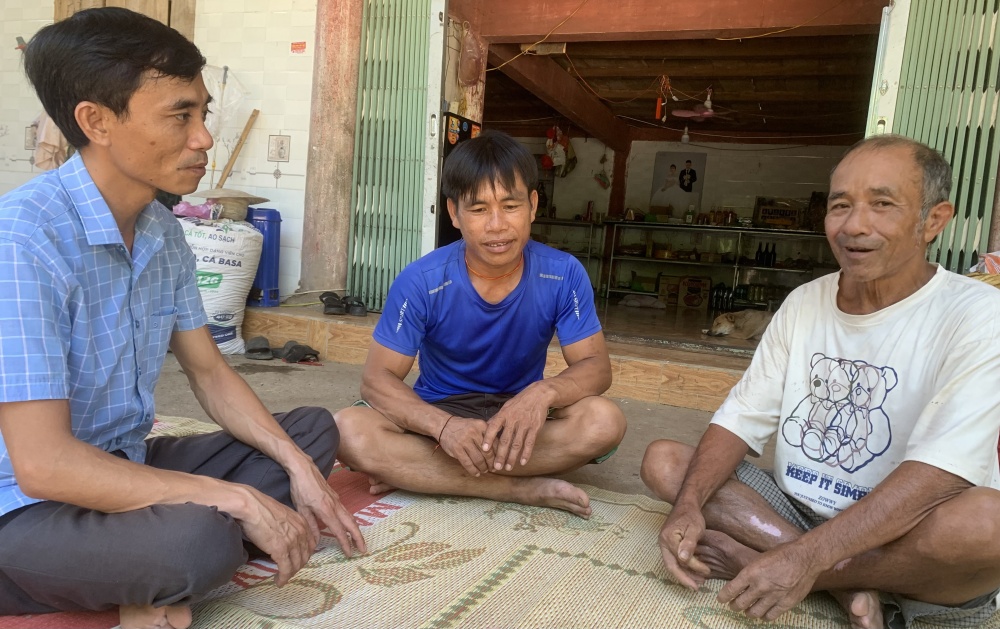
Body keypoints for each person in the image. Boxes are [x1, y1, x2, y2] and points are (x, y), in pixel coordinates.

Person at [0, 9, 365, 629]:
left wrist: (302, 473)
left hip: (123, 465)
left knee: (307, 434)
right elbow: (44, 464)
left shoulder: (162, 230)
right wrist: (233, 497)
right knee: (195, 543)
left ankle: (141, 568)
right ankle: (125, 567)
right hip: (26, 504)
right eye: (180, 115)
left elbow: (210, 372)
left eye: (203, 113)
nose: (204, 138)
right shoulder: (24, 237)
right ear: (97, 121)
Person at [640, 134, 1000, 629]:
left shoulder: (978, 314)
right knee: (668, 463)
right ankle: (849, 581)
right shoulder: (805, 302)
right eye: (840, 206)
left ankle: (790, 564)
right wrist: (687, 508)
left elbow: (939, 473)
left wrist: (806, 562)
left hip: (907, 531)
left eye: (882, 205)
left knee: (988, 522)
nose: (854, 226)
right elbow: (742, 419)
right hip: (798, 510)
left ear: (933, 220)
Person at [334, 130, 626, 518]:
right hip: (440, 411)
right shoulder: (422, 279)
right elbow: (377, 380)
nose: (497, 225)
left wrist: (541, 395)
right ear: (454, 213)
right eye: (478, 209)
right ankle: (513, 488)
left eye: (510, 205)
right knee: (349, 430)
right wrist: (445, 427)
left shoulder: (563, 273)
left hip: (520, 419)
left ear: (533, 205)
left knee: (604, 422)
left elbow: (596, 368)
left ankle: (423, 472)